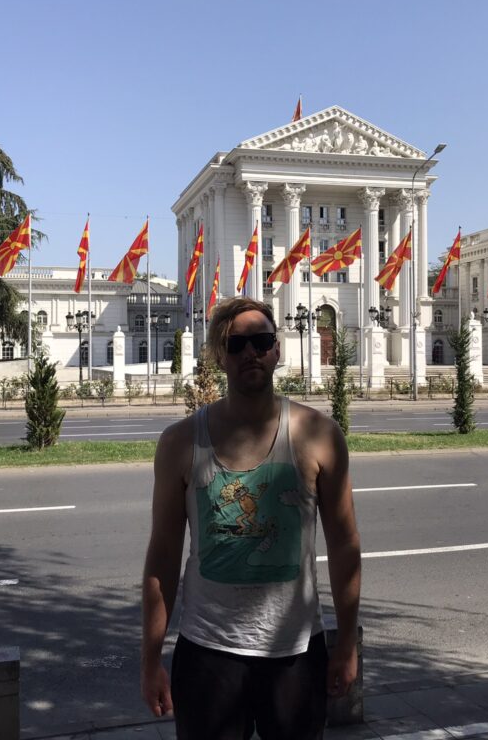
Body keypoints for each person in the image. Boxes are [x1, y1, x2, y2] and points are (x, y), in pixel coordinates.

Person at [141, 296, 361, 740]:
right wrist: (150, 660)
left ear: (277, 350)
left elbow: (344, 545)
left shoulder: (318, 435)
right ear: (219, 355)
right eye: (236, 344)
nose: (250, 353)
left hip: (295, 654)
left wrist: (347, 644)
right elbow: (162, 556)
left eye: (261, 341)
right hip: (207, 654)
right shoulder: (181, 442)